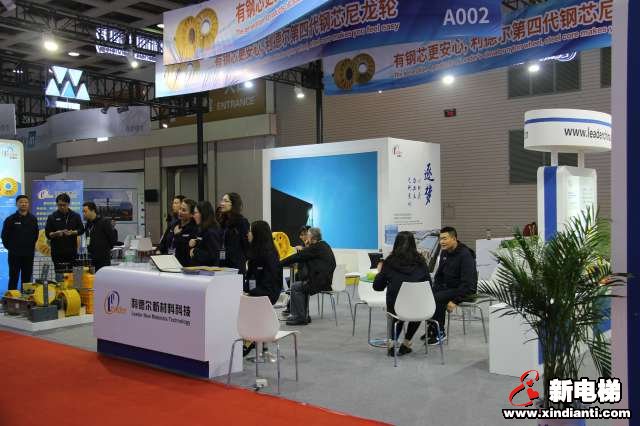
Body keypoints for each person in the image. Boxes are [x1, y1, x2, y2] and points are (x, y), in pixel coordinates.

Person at [373, 232, 431, 356]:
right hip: (419, 309)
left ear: (396, 244)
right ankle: (406, 343)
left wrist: (379, 272)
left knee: (396, 311)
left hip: (396, 309)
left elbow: (377, 287)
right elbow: (429, 285)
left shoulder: (389, 262)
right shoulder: (421, 262)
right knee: (417, 309)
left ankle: (391, 344)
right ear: (414, 244)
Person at [421, 226, 477, 345]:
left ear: (454, 238)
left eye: (445, 238)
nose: (441, 242)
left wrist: (456, 301)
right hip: (449, 288)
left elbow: (468, 284)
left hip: (464, 291)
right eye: (440, 239)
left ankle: (440, 332)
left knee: (437, 298)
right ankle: (432, 328)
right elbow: (439, 275)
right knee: (427, 295)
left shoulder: (465, 255)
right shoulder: (445, 252)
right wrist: (434, 289)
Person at [242, 220, 283, 356]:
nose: (248, 234)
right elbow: (251, 278)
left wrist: (250, 293)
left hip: (267, 294)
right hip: (257, 291)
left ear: (257, 234)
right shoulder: (255, 252)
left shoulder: (269, 255)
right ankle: (251, 338)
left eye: (250, 231)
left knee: (244, 304)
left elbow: (269, 284)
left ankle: (250, 338)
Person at [280, 227, 336, 326]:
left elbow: (298, 257)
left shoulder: (315, 248)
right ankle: (304, 315)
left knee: (295, 287)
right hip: (326, 281)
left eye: (308, 236)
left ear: (312, 238)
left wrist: (279, 263)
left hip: (320, 282)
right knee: (302, 285)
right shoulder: (324, 245)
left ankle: (300, 317)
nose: (306, 238)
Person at [1, 195, 38, 290]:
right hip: (14, 254)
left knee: (27, 278)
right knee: (13, 277)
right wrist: (11, 248)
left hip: (28, 254)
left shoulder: (33, 219)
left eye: (26, 202)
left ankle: (25, 297)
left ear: (28, 204)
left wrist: (30, 247)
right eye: (21, 202)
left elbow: (35, 235)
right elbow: (4, 236)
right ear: (16, 204)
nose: (24, 204)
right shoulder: (10, 219)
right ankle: (11, 297)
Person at [45, 193, 84, 273]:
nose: (62, 207)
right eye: (60, 205)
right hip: (57, 252)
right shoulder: (52, 217)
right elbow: (48, 234)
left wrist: (73, 232)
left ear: (68, 204)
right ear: (57, 204)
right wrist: (55, 233)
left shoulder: (75, 216)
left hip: (72, 251)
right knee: (59, 275)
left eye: (64, 205)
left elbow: (81, 230)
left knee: (73, 275)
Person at [217, 192, 250, 274]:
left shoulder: (242, 222)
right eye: (222, 200)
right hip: (222, 264)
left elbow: (246, 245)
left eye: (226, 201)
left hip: (236, 266)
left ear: (233, 204)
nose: (222, 203)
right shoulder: (222, 222)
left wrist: (240, 259)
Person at [82, 202, 118, 272]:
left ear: (92, 210)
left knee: (103, 277)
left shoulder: (104, 222)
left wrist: (105, 249)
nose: (84, 213)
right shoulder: (87, 224)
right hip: (91, 257)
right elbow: (87, 238)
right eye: (83, 211)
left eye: (85, 211)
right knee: (92, 277)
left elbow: (112, 239)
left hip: (103, 258)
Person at [189, 201, 222, 267]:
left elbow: (213, 256)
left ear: (203, 214)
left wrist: (195, 251)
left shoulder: (211, 232)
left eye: (195, 213)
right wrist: (196, 242)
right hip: (201, 269)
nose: (193, 216)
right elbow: (205, 245)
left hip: (208, 270)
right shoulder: (203, 229)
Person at [172, 198, 198, 266]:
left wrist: (177, 235)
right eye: (180, 209)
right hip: (172, 262)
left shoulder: (194, 228)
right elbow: (165, 242)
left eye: (183, 210)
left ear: (191, 214)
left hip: (186, 265)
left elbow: (185, 248)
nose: (180, 212)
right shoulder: (174, 225)